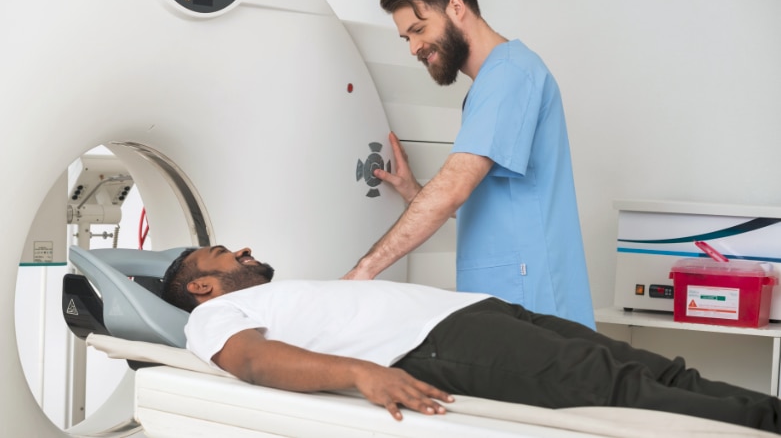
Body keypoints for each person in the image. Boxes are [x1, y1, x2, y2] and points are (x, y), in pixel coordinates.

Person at [162, 245, 781, 434]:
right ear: (201, 289)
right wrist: (358, 372)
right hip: (433, 345)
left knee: (656, 368)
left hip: (477, 313)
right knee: (616, 386)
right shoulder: (213, 319)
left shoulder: (273, 292)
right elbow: (249, 361)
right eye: (223, 254)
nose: (242, 251)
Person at [343, 0, 595, 329]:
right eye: (406, 38)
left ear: (456, 8)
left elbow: (454, 187)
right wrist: (415, 192)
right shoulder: (496, 80)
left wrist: (365, 270)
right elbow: (500, 206)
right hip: (512, 294)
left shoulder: (508, 75)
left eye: (418, 29)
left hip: (529, 298)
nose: (413, 48)